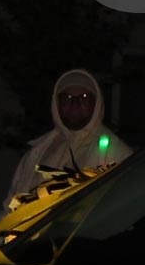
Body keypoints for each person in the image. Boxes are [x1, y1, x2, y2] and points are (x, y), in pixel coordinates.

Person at [9, 68, 133, 202]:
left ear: (96, 102)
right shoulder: (38, 152)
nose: (75, 104)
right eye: (67, 98)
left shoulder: (115, 152)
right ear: (57, 103)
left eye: (84, 97)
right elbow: (12, 203)